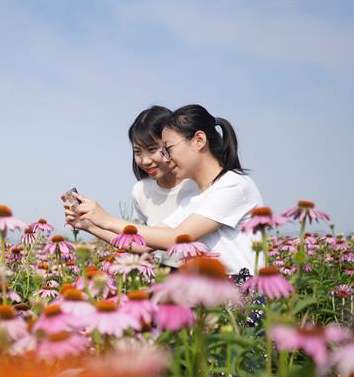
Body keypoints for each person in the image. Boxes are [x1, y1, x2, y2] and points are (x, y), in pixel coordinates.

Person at [65, 104, 264, 276]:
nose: (166, 158)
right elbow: (141, 244)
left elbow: (176, 238)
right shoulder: (194, 199)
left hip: (241, 293)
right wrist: (89, 224)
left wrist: (107, 219)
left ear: (199, 140)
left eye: (167, 149)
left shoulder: (234, 186)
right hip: (210, 292)